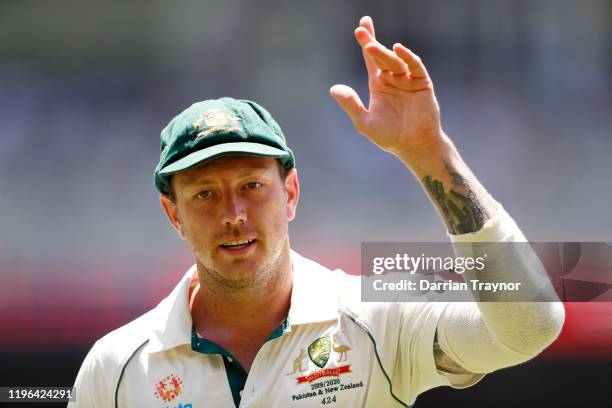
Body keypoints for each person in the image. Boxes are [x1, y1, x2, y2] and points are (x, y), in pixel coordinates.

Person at [69, 16, 564, 408]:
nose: (234, 213)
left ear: (291, 193)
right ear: (173, 215)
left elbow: (530, 327)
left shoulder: (373, 318)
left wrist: (429, 153)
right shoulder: (116, 368)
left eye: (252, 186)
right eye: (204, 195)